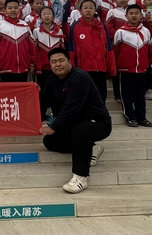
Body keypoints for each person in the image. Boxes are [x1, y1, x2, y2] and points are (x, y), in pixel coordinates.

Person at [39, 49, 112, 194]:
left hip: (97, 123)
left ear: (69, 61)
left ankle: (80, 177)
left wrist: (54, 127)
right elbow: (44, 100)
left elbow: (71, 108)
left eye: (61, 60)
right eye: (53, 62)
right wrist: (35, 93)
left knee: (81, 131)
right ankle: (92, 148)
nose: (58, 65)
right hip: (73, 123)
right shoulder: (52, 80)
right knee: (50, 141)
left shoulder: (79, 77)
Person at [113, 5, 152, 127]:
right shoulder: (120, 32)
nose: (134, 15)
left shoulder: (146, 31)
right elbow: (116, 51)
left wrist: (151, 65)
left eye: (137, 13)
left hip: (142, 70)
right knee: (127, 96)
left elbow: (149, 50)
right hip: (125, 70)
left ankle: (142, 118)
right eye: (131, 13)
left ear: (141, 15)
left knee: (140, 96)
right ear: (126, 16)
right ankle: (130, 117)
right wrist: (116, 67)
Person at [68, 0, 115, 101]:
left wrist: (111, 68)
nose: (88, 10)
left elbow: (108, 48)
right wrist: (73, 69)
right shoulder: (74, 27)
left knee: (101, 97)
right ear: (80, 11)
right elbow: (71, 50)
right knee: (85, 97)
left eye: (91, 8)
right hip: (83, 69)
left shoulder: (102, 26)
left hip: (100, 68)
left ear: (95, 10)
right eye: (85, 8)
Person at [0, 0, 37, 82]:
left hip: (24, 66)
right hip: (5, 67)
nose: (13, 10)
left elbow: (31, 45)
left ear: (19, 9)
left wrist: (32, 62)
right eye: (10, 8)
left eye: (15, 8)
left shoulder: (24, 25)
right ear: (5, 10)